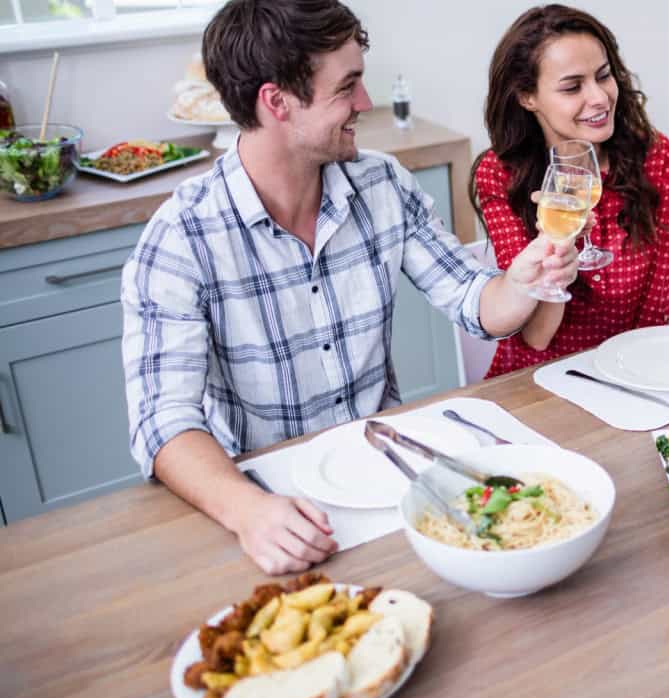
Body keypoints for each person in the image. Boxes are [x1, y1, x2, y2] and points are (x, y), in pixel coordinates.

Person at [120, 0, 576, 576]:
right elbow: (164, 424)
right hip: (265, 505)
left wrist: (524, 279)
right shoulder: (181, 239)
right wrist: (249, 512)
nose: (365, 103)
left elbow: (474, 301)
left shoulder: (382, 183)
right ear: (276, 101)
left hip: (388, 475)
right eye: (348, 87)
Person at [471, 4, 669, 378]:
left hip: (629, 370)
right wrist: (556, 244)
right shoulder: (499, 175)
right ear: (527, 96)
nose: (599, 98)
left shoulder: (654, 155)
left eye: (604, 76)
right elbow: (535, 338)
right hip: (539, 380)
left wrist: (643, 372)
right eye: (572, 87)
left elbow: (659, 286)